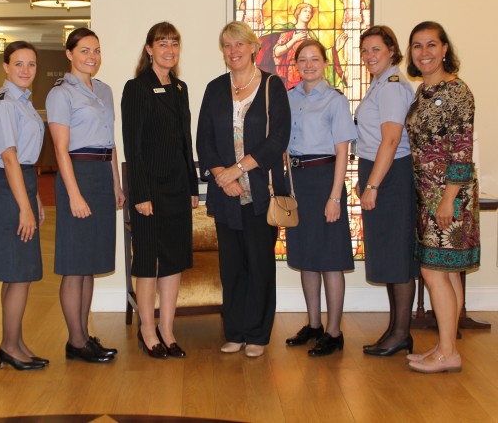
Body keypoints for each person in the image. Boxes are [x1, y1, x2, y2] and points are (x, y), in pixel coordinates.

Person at [197, 21, 290, 358]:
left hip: (261, 194)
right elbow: (203, 140)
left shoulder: (271, 86)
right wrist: (224, 176)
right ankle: (234, 331)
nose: (233, 51)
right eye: (227, 46)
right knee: (232, 267)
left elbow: (278, 138)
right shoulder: (215, 88)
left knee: (260, 266)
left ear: (253, 47)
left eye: (239, 44)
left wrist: (239, 169)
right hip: (226, 195)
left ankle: (258, 334)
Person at [405, 21, 479, 373]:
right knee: (446, 274)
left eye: (431, 45)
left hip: (449, 195)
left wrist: (448, 198)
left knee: (433, 272)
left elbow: (462, 149)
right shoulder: (422, 92)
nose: (424, 52)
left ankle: (448, 352)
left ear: (445, 49)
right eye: (417, 46)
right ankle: (445, 346)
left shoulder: (457, 92)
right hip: (428, 192)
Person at [46, 27, 124, 363]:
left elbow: (110, 143)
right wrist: (75, 195)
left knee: (90, 263)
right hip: (76, 175)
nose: (91, 56)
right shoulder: (60, 93)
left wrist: (117, 184)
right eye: (84, 51)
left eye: (96, 50)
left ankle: (84, 335)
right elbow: (60, 150)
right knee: (74, 265)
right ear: (69, 54)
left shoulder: (104, 90)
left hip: (102, 177)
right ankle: (75, 341)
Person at [121, 22, 199, 359]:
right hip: (149, 191)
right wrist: (139, 194)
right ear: (150, 49)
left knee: (173, 261)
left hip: (178, 189)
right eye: (162, 43)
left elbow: (186, 143)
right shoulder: (137, 88)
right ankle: (147, 330)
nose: (169, 49)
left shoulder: (180, 88)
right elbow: (132, 146)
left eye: (174, 43)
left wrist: (193, 187)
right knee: (148, 262)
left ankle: (168, 330)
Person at [284, 39, 356, 357]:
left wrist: (335, 197)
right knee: (306, 258)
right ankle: (313, 325)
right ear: (296, 64)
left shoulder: (336, 101)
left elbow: (343, 151)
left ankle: (334, 331)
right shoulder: (288, 98)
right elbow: (283, 146)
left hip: (326, 179)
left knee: (330, 259)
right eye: (303, 59)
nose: (309, 64)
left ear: (325, 63)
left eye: (315, 59)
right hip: (298, 182)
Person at [0, 41, 48, 371]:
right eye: (18, 64)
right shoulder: (6, 103)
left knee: (16, 273)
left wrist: (33, 197)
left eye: (31, 64)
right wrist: (25, 206)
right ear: (5, 66)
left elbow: (23, 158)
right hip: (9, 190)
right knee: (19, 274)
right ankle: (9, 346)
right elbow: (8, 158)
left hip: (20, 185)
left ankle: (15, 342)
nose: (25, 70)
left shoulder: (23, 101)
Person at [355, 25, 419, 357]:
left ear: (392, 51)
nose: (369, 56)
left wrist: (373, 184)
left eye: (375, 49)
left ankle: (401, 333)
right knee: (390, 256)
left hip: (392, 176)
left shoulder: (392, 87)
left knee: (397, 255)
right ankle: (396, 329)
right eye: (364, 51)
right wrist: (365, 176)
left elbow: (391, 141)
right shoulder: (379, 85)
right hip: (379, 169)